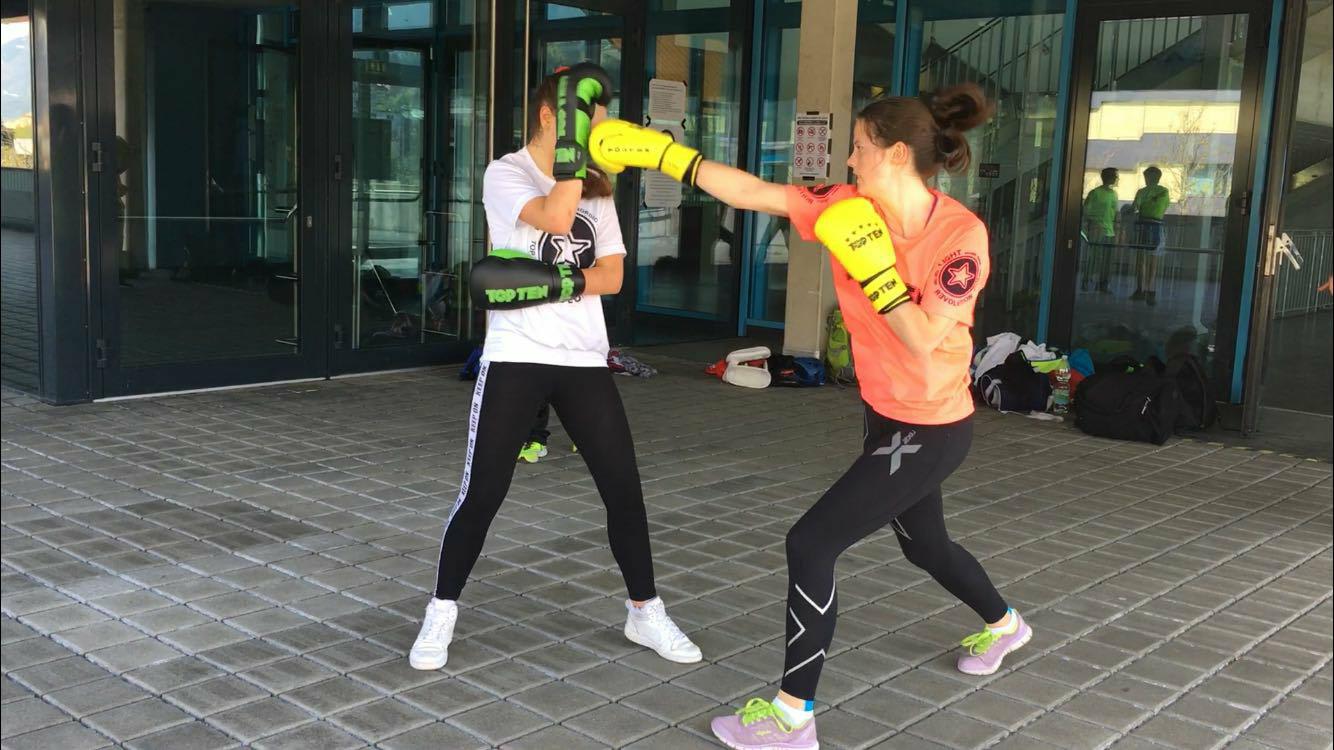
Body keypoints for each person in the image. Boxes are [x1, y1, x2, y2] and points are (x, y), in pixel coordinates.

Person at [589, 84, 1031, 750]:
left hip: (934, 424)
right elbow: (752, 192)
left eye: (859, 147)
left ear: (895, 153)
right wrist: (665, 154)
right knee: (924, 545)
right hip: (884, 412)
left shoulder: (959, 235)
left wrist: (876, 270)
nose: (849, 160)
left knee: (811, 544)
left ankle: (793, 717)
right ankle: (1005, 625)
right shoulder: (845, 205)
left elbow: (921, 338)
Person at [408, 63, 701, 672]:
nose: (596, 139)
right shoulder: (505, 173)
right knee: (482, 492)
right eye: (587, 126)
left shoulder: (597, 188)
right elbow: (556, 219)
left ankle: (645, 611)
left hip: (584, 358)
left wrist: (551, 282)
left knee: (624, 489)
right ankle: (441, 610)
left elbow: (613, 276)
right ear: (552, 118)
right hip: (516, 355)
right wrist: (574, 271)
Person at [1131, 165, 1170, 306]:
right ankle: (1151, 291)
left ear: (1148, 177)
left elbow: (1134, 208)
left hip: (1142, 226)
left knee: (1141, 260)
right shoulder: (1164, 191)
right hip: (1157, 226)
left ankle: (1140, 290)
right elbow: (1165, 207)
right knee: (1154, 260)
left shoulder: (1142, 192)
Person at [1082, 167, 1119, 292]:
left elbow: (1115, 212)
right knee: (1094, 258)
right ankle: (1086, 280)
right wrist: (1093, 223)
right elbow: (1085, 211)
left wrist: (1117, 229)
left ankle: (1103, 283)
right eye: (1115, 176)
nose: (1117, 179)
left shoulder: (1114, 194)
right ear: (1109, 177)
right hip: (1097, 229)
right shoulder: (1095, 193)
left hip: (1110, 231)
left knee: (1108, 260)